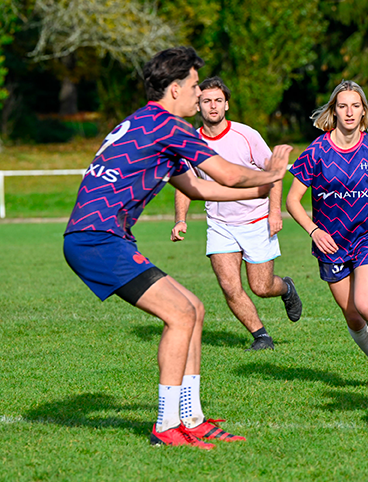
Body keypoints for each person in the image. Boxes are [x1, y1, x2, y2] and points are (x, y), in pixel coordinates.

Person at [62, 46, 292, 449]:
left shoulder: (147, 123)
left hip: (99, 237)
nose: (198, 92)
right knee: (181, 313)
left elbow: (198, 187)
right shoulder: (169, 127)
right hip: (97, 239)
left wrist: (263, 186)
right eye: (193, 85)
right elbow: (223, 172)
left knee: (194, 310)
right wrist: (273, 170)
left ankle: (192, 417)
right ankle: (166, 426)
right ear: (173, 89)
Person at [170, 76, 302, 351]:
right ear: (198, 106)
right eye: (206, 101)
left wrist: (274, 213)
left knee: (261, 286)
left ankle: (286, 288)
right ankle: (261, 336)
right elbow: (185, 184)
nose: (213, 106)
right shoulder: (191, 142)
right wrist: (180, 219)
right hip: (219, 224)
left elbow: (274, 174)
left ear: (226, 105)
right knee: (230, 287)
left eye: (218, 100)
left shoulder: (246, 135)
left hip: (256, 221)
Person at [285, 80, 368, 389]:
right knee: (353, 317)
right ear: (334, 111)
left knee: (366, 305)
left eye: (355, 106)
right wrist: (314, 230)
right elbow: (292, 200)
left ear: (364, 112)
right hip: (331, 243)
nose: (349, 112)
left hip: (367, 236)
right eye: (342, 106)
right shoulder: (316, 150)